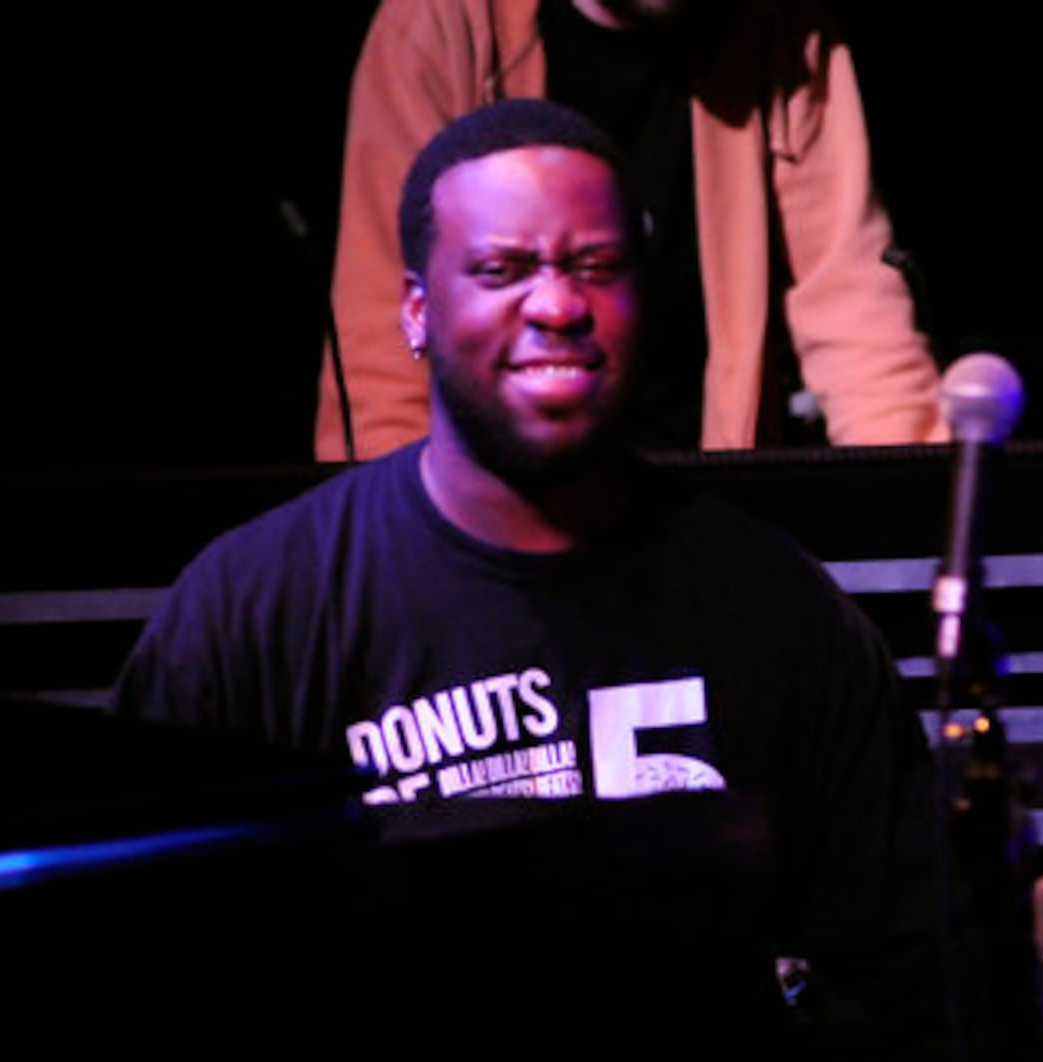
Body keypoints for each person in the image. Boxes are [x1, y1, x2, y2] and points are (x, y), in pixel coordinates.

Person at [117, 98, 943, 1046]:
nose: (557, 305)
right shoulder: (252, 611)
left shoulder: (779, 611)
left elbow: (901, 978)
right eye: (502, 270)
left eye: (596, 266)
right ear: (418, 312)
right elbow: (151, 967)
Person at [315, 0, 950, 462]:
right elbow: (384, 360)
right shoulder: (439, 25)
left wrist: (922, 531)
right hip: (501, 526)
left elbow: (859, 326)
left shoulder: (780, 32)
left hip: (701, 519)